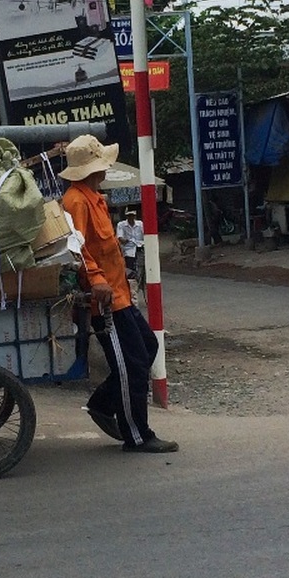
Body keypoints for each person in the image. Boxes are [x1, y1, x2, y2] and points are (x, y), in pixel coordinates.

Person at [60, 134, 178, 454]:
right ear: (93, 170)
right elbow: (76, 248)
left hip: (120, 294)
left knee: (148, 347)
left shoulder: (96, 198)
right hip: (104, 301)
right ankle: (137, 435)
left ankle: (102, 404)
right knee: (131, 366)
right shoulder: (76, 200)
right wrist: (97, 279)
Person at [115, 210, 144, 280]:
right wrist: (124, 240)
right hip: (128, 248)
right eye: (129, 216)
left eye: (132, 216)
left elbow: (145, 234)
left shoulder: (140, 224)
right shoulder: (121, 224)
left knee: (142, 264)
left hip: (140, 246)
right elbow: (120, 237)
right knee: (130, 265)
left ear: (135, 216)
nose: (131, 217)